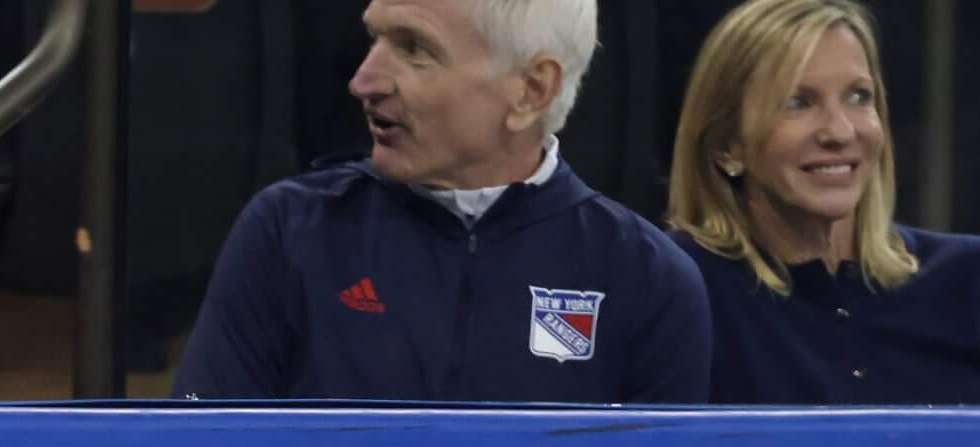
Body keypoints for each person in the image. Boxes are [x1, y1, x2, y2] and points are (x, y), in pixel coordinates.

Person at [178, 0, 712, 404]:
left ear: (531, 90)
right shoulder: (288, 232)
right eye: (374, 38)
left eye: (414, 49)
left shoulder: (645, 278)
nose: (364, 81)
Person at [666, 0, 980, 405]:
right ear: (727, 145)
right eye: (798, 102)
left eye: (858, 97)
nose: (840, 130)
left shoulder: (966, 281)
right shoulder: (679, 286)